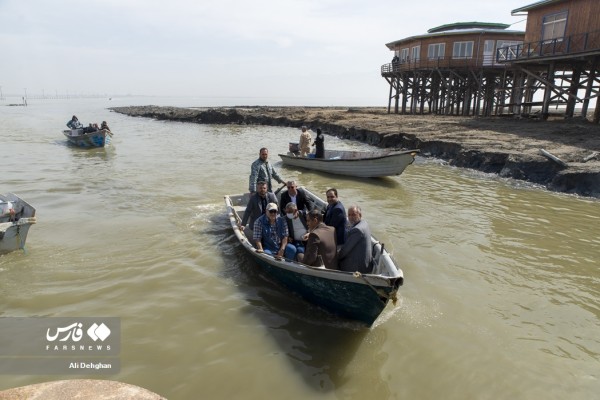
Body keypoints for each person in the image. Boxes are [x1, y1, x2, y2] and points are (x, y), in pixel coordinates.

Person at [338, 205, 373, 273]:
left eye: (354, 215)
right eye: (349, 215)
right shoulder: (364, 223)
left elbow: (344, 251)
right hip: (366, 263)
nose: (351, 217)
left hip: (358, 267)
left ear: (360, 215)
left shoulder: (357, 230)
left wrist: (336, 256)